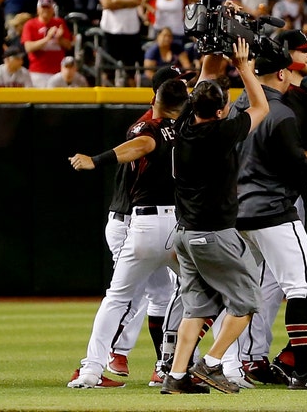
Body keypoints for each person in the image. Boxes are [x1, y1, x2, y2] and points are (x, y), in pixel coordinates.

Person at [67, 78, 189, 389]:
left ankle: (92, 369)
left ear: (156, 98)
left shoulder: (148, 128)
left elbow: (141, 145)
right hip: (176, 226)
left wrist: (97, 160)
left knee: (118, 298)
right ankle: (182, 366)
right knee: (192, 293)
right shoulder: (191, 127)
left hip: (146, 225)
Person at [228, 37, 307, 390]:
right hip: (273, 211)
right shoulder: (282, 111)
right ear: (284, 73)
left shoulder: (237, 107)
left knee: (238, 292)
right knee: (302, 287)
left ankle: (224, 362)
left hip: (236, 212)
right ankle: (303, 371)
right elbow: (295, 166)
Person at [164, 40, 268, 395]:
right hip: (213, 235)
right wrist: (243, 66)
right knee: (247, 301)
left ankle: (177, 376)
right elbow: (260, 106)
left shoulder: (182, 127)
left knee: (196, 309)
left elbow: (203, 86)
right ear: (223, 110)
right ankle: (209, 364)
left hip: (184, 234)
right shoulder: (221, 132)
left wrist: (213, 50)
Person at [98, 0, 145, 86]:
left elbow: (137, 1)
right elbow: (106, 3)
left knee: (130, 67)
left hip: (130, 29)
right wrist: (127, 3)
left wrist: (117, 1)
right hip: (111, 28)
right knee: (108, 67)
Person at [21, 0, 73, 87]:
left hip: (58, 71)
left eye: (48, 7)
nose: (46, 10)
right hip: (38, 72)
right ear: (38, 10)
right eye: (43, 7)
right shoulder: (30, 24)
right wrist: (47, 38)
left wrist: (59, 39)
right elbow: (28, 47)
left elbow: (68, 46)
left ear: (53, 9)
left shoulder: (60, 23)